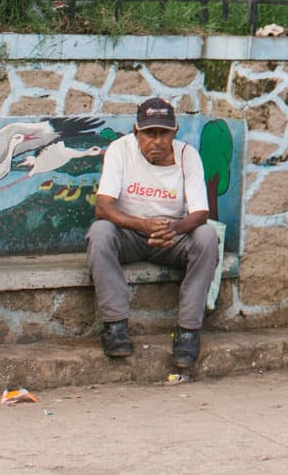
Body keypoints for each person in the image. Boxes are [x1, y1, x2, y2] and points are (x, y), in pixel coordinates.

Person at [87, 95, 223, 370]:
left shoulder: (188, 156)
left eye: (163, 133)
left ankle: (187, 331)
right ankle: (115, 327)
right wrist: (142, 225)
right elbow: (103, 207)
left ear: (175, 133)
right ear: (136, 133)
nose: (156, 141)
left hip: (172, 237)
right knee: (100, 232)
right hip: (131, 234)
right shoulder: (120, 150)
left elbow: (200, 213)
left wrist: (173, 229)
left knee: (208, 237)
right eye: (149, 133)